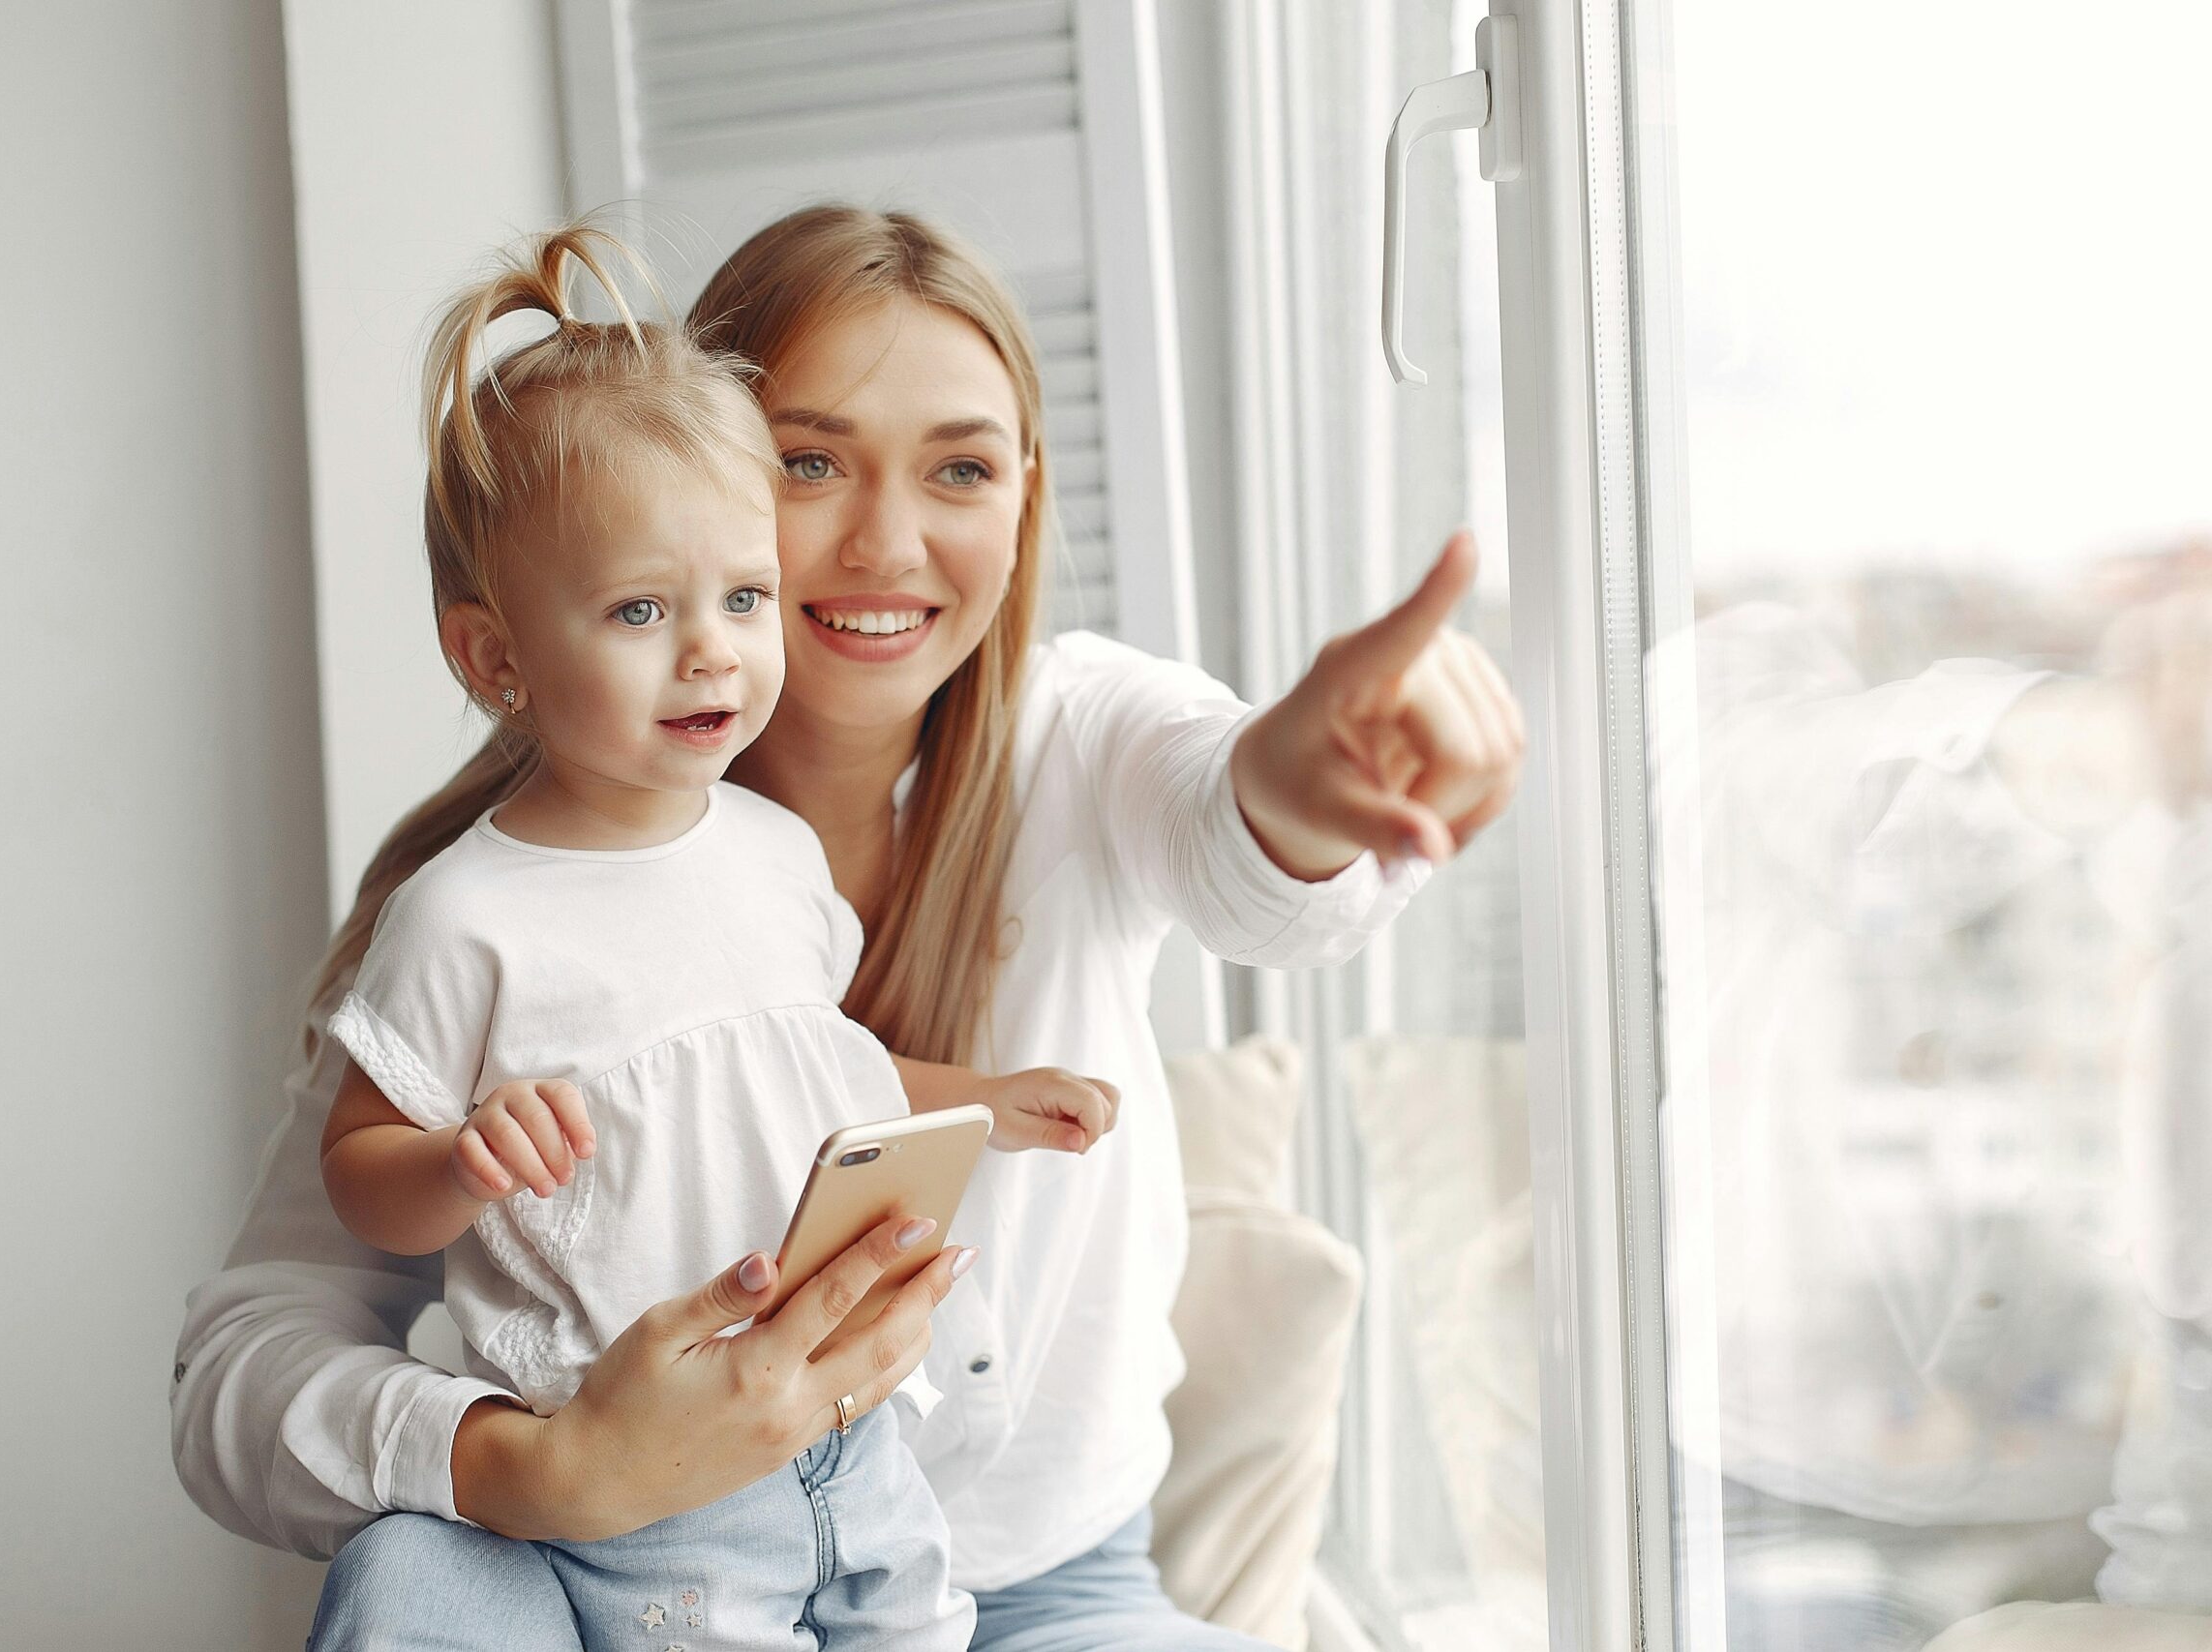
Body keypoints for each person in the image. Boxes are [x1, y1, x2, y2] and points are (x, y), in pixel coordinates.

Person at [171, 204, 1526, 1649]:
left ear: (1024, 498)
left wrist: (1310, 787)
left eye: (962, 468)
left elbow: (1228, 825)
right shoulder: (484, 908)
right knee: (411, 1583)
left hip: (1024, 1588)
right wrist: (535, 1468)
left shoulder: (1067, 742)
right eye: (810, 464)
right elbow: (246, 1361)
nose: (887, 544)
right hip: (614, 1562)